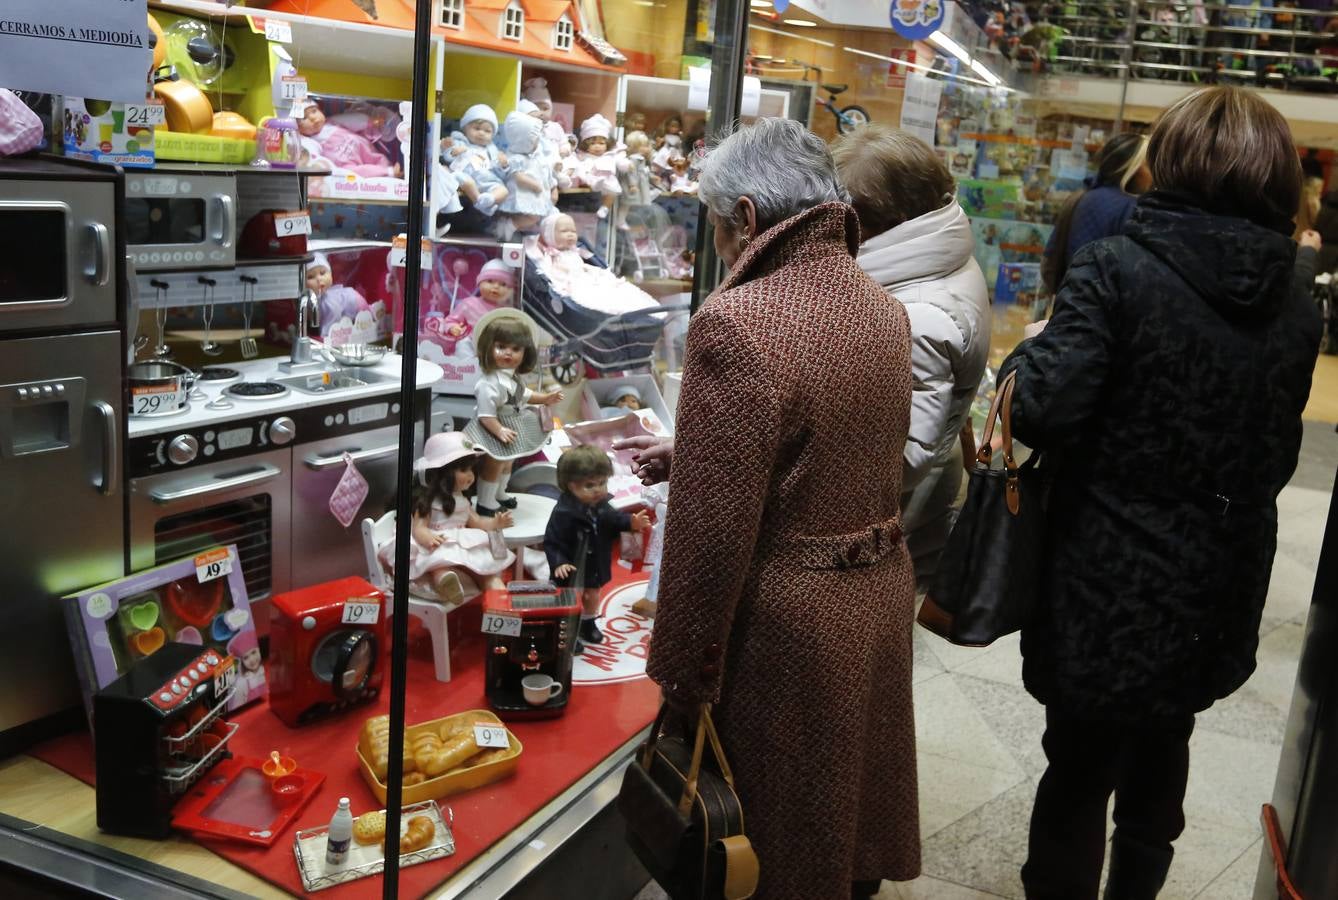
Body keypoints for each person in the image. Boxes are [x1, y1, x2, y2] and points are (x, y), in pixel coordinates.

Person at [1000, 86, 1321, 899]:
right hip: (1218, 574)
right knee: (1160, 760)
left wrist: (1026, 359)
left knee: (1075, 778)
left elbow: (1045, 406)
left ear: (1169, 161)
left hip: (1106, 570)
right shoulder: (1295, 296)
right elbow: (1277, 451)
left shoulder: (1117, 268)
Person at [616, 118, 920, 898]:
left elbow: (710, 542)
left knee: (775, 840)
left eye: (717, 229)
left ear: (746, 219)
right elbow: (832, 440)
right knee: (842, 818)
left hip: (787, 630)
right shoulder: (881, 305)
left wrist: (681, 679)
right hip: (874, 600)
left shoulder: (738, 322)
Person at [831, 124, 991, 588]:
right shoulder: (931, 256)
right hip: (900, 516)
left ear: (868, 219)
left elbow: (902, 458)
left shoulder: (916, 312)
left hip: (880, 531)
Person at [380, 431, 514, 604]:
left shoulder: (463, 501)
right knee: (438, 564)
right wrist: (428, 537)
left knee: (485, 570)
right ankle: (446, 583)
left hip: (460, 544)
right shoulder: (428, 501)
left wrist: (496, 523)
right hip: (438, 543)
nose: (471, 476)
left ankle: (498, 601)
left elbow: (478, 522)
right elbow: (419, 527)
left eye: (472, 469)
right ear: (442, 473)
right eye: (463, 470)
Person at [543, 446, 651, 652]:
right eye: (589, 485)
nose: (597, 490)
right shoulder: (563, 512)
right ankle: (568, 632)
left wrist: (631, 522)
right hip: (572, 565)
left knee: (592, 595)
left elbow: (614, 519)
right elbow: (552, 540)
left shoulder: (602, 505)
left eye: (602, 483)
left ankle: (588, 623)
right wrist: (559, 562)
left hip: (595, 563)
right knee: (570, 599)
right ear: (569, 486)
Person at [462, 312, 563, 515]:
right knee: (494, 463)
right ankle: (485, 500)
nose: (508, 353)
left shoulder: (512, 377)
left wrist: (544, 398)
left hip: (513, 422)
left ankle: (500, 493)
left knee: (508, 462)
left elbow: (523, 395)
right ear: (488, 348)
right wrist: (499, 431)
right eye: (501, 347)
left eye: (516, 349)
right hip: (494, 427)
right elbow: (486, 415)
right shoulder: (488, 383)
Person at [1040, 133, 1150, 295]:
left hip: (1070, 300)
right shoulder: (1132, 208)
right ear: (1135, 168)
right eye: (1149, 165)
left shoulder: (1082, 196)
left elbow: (1049, 261)